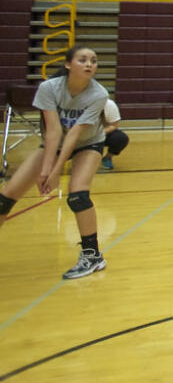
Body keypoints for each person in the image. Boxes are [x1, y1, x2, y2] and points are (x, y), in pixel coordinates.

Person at [0, 45, 109, 279]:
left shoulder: (99, 94)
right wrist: (46, 169)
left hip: (87, 144)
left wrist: (56, 172)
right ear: (69, 64)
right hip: (54, 142)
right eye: (83, 60)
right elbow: (53, 131)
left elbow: (74, 134)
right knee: (5, 196)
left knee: (78, 194)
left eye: (94, 60)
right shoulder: (49, 88)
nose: (90, 64)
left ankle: (92, 256)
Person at [100, 97, 129, 171]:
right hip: (80, 135)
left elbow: (114, 125)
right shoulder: (76, 104)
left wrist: (98, 134)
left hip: (101, 133)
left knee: (120, 138)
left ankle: (108, 158)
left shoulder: (108, 104)